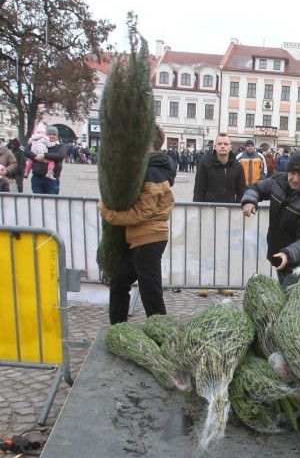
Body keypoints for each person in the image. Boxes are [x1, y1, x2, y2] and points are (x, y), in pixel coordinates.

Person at [97, 125, 176, 324]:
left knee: (151, 291)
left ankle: (163, 335)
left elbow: (141, 213)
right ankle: (118, 328)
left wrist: (108, 213)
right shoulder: (152, 169)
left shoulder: (152, 172)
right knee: (119, 282)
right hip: (142, 238)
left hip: (148, 238)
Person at [241, 150, 300, 289]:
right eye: (292, 173)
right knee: (283, 295)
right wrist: (250, 200)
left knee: (290, 302)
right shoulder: (278, 180)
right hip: (280, 254)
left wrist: (288, 253)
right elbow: (257, 188)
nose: (295, 178)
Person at [193, 133, 246, 297]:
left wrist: (240, 209)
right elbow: (199, 189)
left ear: (231, 147)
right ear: (214, 146)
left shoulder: (237, 166)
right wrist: (197, 211)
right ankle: (204, 282)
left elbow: (241, 190)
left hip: (228, 213)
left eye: (225, 144)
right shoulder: (205, 164)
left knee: (224, 249)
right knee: (207, 247)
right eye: (220, 143)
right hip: (208, 211)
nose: (223, 146)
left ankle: (222, 283)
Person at [24, 125, 65, 194]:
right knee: (37, 200)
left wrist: (44, 155)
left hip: (53, 178)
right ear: (46, 135)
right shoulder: (39, 141)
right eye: (49, 134)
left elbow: (60, 156)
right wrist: (37, 157)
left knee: (51, 201)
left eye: (54, 134)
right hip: (37, 176)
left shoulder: (60, 145)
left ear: (57, 136)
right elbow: (26, 151)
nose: (52, 136)